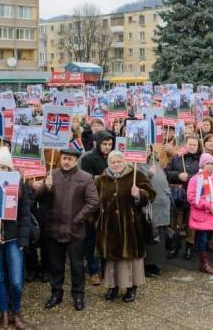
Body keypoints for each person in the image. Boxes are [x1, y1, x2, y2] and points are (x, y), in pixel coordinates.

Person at [31, 147, 98, 312]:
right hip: (54, 228)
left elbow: (93, 202)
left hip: (75, 230)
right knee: (56, 265)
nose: (66, 162)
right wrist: (44, 187)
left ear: (76, 160)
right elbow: (37, 198)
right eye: (64, 158)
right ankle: (56, 293)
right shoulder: (52, 174)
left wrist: (78, 219)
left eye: (70, 159)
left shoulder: (86, 178)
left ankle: (78, 295)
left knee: (76, 265)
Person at [95, 151, 155, 303]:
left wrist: (139, 194)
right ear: (108, 163)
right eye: (112, 162)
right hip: (108, 227)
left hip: (130, 225)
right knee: (111, 260)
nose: (116, 164)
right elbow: (94, 200)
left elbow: (151, 194)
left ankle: (131, 287)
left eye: (118, 161)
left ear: (124, 161)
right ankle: (113, 286)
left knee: (130, 258)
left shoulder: (136, 175)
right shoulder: (101, 179)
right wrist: (95, 220)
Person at [0, 147, 31, 330]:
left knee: (16, 281)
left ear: (10, 170)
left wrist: (23, 241)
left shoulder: (19, 186)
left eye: (5, 168)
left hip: (13, 239)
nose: (1, 171)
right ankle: (4, 312)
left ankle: (15, 311)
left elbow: (25, 215)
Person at [78, 130, 114, 286]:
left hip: (110, 203)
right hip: (94, 204)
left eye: (110, 144)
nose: (107, 147)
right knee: (92, 239)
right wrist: (105, 177)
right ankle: (93, 270)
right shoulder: (88, 158)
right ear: (97, 144)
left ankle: (107, 269)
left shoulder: (113, 158)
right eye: (105, 144)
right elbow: (87, 180)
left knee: (108, 238)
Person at [164, 135, 201, 260]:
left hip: (194, 196)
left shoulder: (201, 159)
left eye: (194, 145)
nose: (192, 147)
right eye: (190, 144)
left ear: (198, 146)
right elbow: (167, 172)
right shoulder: (176, 158)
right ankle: (175, 247)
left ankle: (189, 248)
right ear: (185, 145)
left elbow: (204, 176)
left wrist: (189, 177)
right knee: (176, 223)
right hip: (178, 196)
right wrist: (178, 175)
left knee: (191, 224)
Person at [143, 149, 171, 278]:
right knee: (150, 235)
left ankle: (154, 263)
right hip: (150, 206)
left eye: (148, 148)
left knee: (159, 236)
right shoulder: (135, 163)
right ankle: (147, 264)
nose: (147, 150)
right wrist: (148, 174)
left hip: (162, 204)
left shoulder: (155, 161)